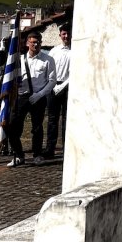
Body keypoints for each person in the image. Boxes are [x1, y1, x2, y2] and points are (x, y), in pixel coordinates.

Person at [5, 30, 57, 167]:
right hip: (21, 97)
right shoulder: (19, 60)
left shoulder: (48, 60)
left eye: (38, 42)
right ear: (27, 43)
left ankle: (37, 154)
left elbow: (52, 81)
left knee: (37, 128)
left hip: (38, 97)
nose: (36, 45)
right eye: (33, 42)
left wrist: (40, 94)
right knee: (13, 126)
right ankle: (19, 155)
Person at [44, 23, 72, 160]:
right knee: (52, 119)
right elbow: (48, 68)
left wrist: (64, 85)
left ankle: (67, 149)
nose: (66, 36)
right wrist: (52, 84)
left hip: (68, 87)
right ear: (60, 35)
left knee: (67, 120)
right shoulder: (54, 51)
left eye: (68, 34)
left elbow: (75, 72)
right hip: (53, 86)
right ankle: (50, 149)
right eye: (64, 34)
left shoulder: (75, 51)